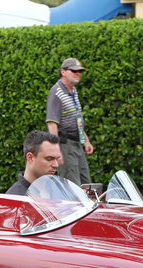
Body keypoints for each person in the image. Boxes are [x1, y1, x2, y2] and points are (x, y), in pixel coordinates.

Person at [46, 57, 94, 186]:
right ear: (63, 72)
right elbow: (52, 123)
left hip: (77, 143)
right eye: (74, 71)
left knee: (86, 184)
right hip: (65, 145)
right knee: (72, 186)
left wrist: (86, 140)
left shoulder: (73, 91)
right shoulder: (56, 92)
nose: (77, 74)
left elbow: (76, 118)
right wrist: (56, 151)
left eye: (79, 71)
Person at [6, 131, 62, 196]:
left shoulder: (60, 190)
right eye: (49, 159)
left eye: (57, 159)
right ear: (30, 158)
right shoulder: (15, 198)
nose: (56, 165)